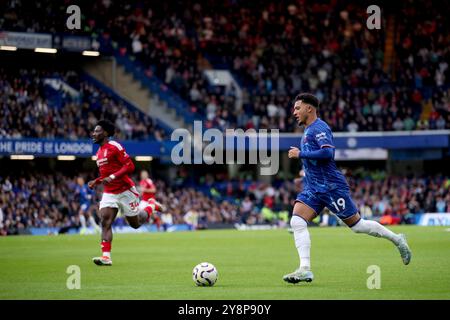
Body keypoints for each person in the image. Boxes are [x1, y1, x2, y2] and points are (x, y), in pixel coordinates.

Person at [283, 93, 412, 284]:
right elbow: (315, 161)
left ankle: (397, 239)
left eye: (297, 108)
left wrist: (301, 154)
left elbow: (328, 152)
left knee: (358, 226)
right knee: (297, 221)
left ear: (309, 108)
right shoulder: (307, 131)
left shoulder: (319, 127)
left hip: (331, 187)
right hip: (313, 189)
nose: (294, 112)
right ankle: (305, 269)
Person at [88, 120, 165, 266]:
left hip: (125, 190)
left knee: (135, 224)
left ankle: (151, 207)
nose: (94, 133)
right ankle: (106, 257)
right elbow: (106, 174)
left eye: (97, 131)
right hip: (110, 192)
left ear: (105, 133)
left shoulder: (114, 146)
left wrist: (113, 177)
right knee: (105, 220)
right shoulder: (98, 153)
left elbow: (130, 165)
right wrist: (96, 181)